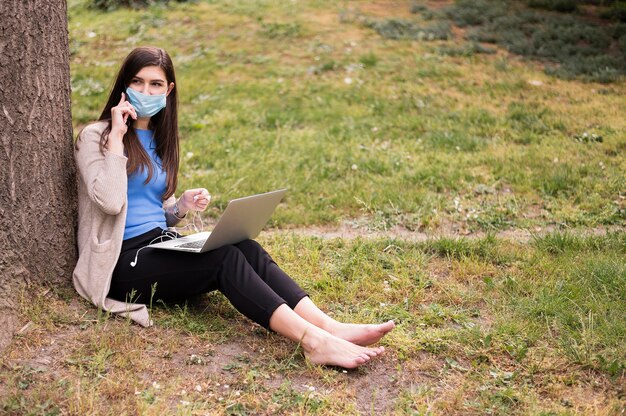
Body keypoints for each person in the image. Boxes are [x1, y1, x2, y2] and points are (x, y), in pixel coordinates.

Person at [73, 46, 394, 369]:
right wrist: (117, 135)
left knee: (245, 246)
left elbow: (154, 211)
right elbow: (112, 203)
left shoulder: (159, 138)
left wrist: (180, 207)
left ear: (168, 91)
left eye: (155, 84)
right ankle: (314, 341)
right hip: (122, 263)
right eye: (137, 82)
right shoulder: (95, 136)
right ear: (123, 86)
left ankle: (329, 326)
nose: (146, 91)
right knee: (223, 259)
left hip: (159, 245)